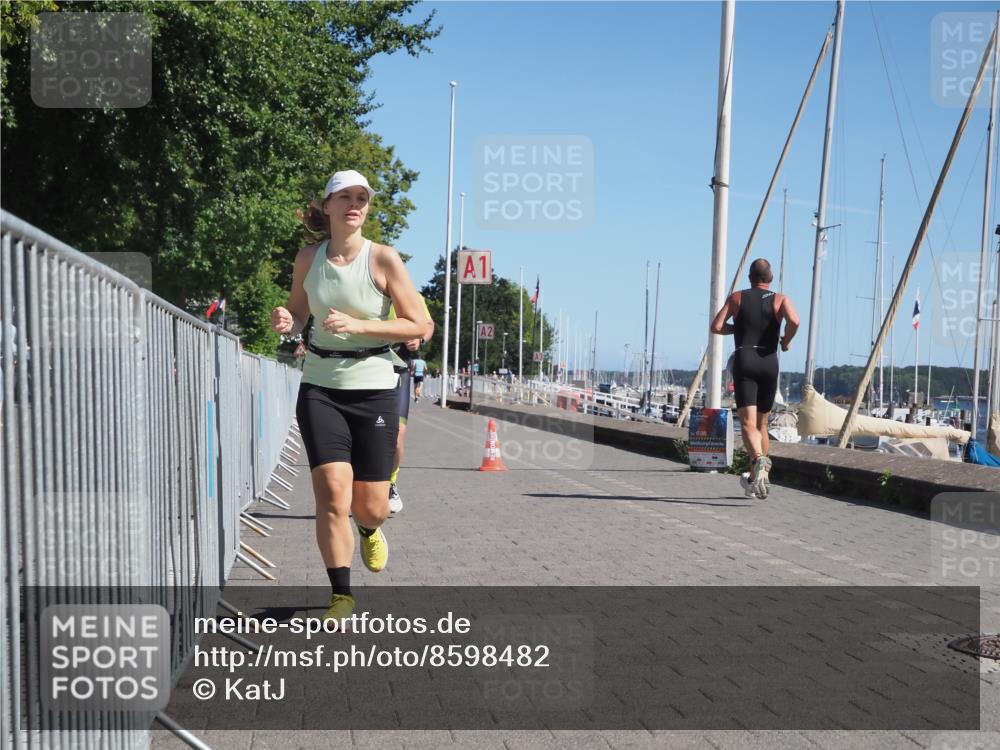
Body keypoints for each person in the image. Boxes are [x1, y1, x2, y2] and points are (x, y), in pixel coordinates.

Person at [270, 169, 425, 623]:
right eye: (346, 197)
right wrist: (287, 322)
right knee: (331, 496)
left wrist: (360, 326)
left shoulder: (384, 260)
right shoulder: (308, 258)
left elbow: (417, 323)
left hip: (376, 386)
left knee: (370, 505)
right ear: (329, 206)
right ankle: (341, 593)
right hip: (320, 387)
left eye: (362, 198)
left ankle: (369, 528)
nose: (355, 204)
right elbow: (299, 314)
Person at [710, 258, 799, 499]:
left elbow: (717, 326)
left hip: (745, 359)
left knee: (748, 425)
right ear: (770, 280)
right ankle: (754, 480)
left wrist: (735, 328)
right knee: (762, 425)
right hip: (769, 361)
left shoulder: (737, 297)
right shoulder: (781, 299)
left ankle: (759, 461)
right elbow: (795, 321)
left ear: (750, 278)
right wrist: (787, 340)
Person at [386, 295, 434, 514]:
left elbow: (428, 324)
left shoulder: (410, 294)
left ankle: (390, 483)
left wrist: (419, 339)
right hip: (366, 368)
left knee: (398, 436)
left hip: (398, 371)